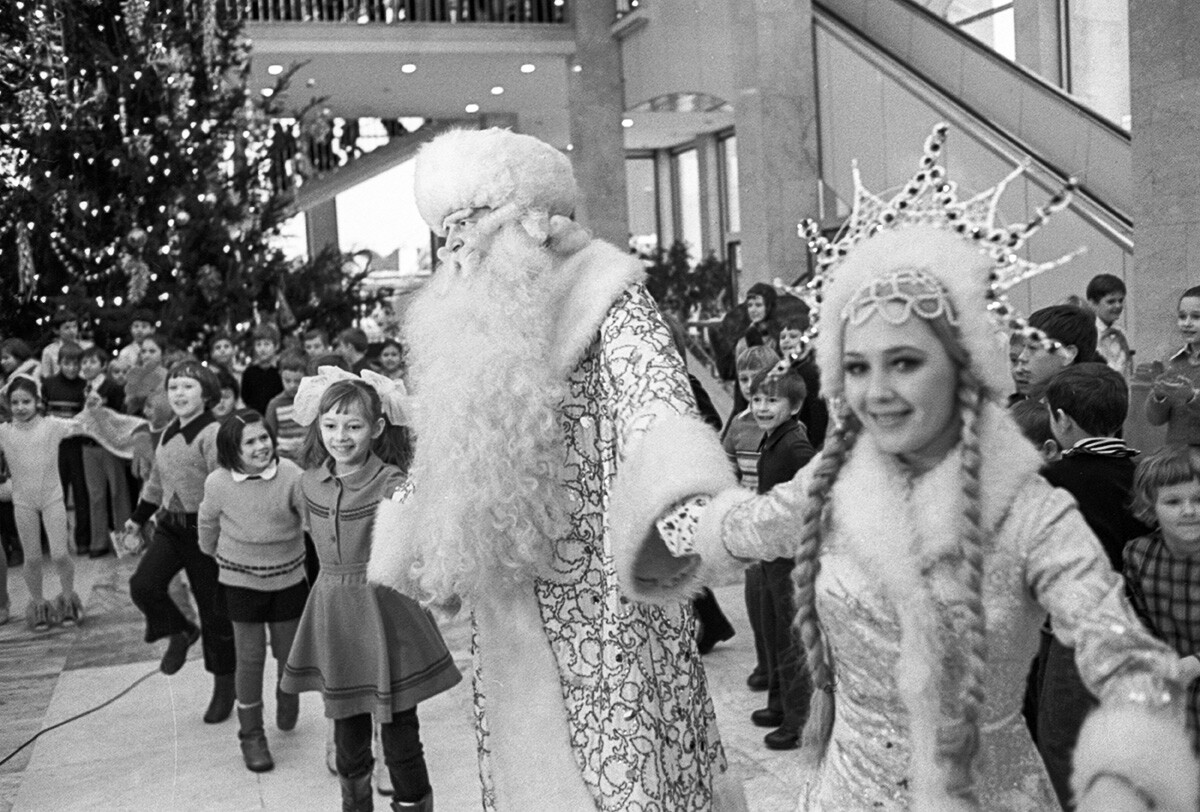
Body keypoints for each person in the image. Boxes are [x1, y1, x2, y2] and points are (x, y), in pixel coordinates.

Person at [613, 139, 1198, 808]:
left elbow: (1118, 652)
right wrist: (656, 474)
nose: (877, 392)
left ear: (961, 366)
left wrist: (1132, 754)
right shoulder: (831, 481)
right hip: (848, 791)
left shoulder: (1030, 511)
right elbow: (737, 527)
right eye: (858, 367)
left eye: (905, 363)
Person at [369, 127, 739, 810]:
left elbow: (655, 401)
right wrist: (413, 536)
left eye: (470, 229)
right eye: (448, 235)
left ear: (527, 220)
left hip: (608, 596)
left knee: (623, 762)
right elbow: (449, 441)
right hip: (510, 590)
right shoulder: (467, 322)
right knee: (527, 764)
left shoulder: (609, 295)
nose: (458, 252)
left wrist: (691, 505)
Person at [281, 372, 460, 812]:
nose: (341, 437)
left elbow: (421, 528)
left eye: (354, 426)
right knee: (348, 737)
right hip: (335, 614)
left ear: (377, 428)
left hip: (386, 614)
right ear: (317, 427)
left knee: (400, 736)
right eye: (331, 425)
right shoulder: (308, 483)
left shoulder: (394, 483)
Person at [1035, 363, 1153, 809]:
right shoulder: (1145, 472)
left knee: (1063, 738)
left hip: (1077, 632)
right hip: (1146, 625)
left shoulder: (1051, 480)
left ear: (1062, 421)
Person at [125, 360, 237, 723]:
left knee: (214, 611)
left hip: (203, 531)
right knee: (143, 585)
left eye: (187, 387)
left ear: (205, 394)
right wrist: (137, 518)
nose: (179, 394)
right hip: (170, 528)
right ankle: (180, 629)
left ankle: (224, 686)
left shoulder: (212, 433)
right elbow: (156, 483)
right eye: (173, 387)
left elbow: (223, 485)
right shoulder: (169, 431)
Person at [198, 409, 308, 773]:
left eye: (265, 438)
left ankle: (286, 693)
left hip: (288, 578)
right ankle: (251, 734)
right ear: (232, 450)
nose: (262, 446)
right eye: (251, 442)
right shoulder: (217, 483)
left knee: (288, 651)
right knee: (249, 658)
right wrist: (213, 551)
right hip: (240, 581)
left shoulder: (291, 474)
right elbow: (208, 521)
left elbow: (309, 518)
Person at [746, 366, 814, 752]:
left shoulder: (794, 445)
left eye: (772, 400)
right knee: (773, 633)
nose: (762, 407)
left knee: (791, 641)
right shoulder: (772, 439)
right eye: (757, 399)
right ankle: (778, 704)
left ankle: (798, 719)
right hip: (773, 553)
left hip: (790, 557)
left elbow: (816, 485)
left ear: (796, 405)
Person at [1125, 445, 1200, 749]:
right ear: (1149, 506)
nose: (1189, 510)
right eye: (1173, 501)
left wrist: (1194, 664)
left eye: (1198, 499)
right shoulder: (1139, 554)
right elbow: (1137, 619)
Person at [0, 376, 84, 628]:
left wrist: (93, 406)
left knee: (59, 554)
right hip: (23, 502)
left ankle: (68, 599)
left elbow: (83, 423)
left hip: (52, 499)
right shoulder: (4, 432)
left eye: (26, 401)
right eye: (15, 402)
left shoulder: (51, 426)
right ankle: (38, 605)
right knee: (32, 558)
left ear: (37, 401)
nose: (20, 407)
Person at [721, 343, 780, 692]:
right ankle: (763, 661)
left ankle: (778, 668)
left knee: (777, 601)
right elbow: (727, 466)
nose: (747, 385)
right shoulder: (740, 425)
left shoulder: (782, 423)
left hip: (774, 519)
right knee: (755, 599)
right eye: (742, 378)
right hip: (748, 516)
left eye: (755, 378)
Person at [79, 345, 130, 557]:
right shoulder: (82, 388)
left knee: (119, 493)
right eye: (84, 362)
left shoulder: (112, 388)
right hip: (88, 446)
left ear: (103, 366)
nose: (87, 366)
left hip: (110, 447)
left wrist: (102, 410)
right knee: (96, 495)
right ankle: (98, 543)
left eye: (92, 361)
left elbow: (120, 419)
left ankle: (126, 542)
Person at [42, 341, 92, 554]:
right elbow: (42, 415)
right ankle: (58, 541)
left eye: (76, 364)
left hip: (78, 447)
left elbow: (88, 417)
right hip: (55, 447)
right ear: (59, 362)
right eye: (67, 363)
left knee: (82, 493)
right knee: (56, 495)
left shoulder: (85, 386)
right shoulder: (48, 384)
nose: (71, 368)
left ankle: (83, 540)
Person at [1146, 285, 1200, 445]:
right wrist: (1158, 396)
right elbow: (1155, 420)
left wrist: (1192, 397)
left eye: (1196, 317)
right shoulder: (1171, 360)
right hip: (1176, 457)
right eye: (1182, 316)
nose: (1187, 323)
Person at [1011, 304, 1099, 401]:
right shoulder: (1011, 407)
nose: (1022, 357)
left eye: (1033, 348)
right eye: (1024, 348)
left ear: (1068, 354)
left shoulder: (1089, 409)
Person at [775, 314, 829, 449]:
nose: (786, 341)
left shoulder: (808, 372)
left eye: (793, 336)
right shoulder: (785, 369)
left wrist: (811, 446)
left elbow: (818, 416)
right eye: (783, 337)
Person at [264, 349, 308, 462]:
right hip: (284, 460)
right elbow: (270, 435)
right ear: (280, 376)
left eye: (298, 381)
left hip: (310, 457)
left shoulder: (311, 400)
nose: (292, 385)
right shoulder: (275, 404)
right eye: (287, 380)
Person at [1087, 274, 1132, 377]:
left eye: (1120, 300)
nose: (1118, 306)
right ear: (1093, 303)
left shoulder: (1121, 332)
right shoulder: (1088, 333)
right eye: (1111, 301)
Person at [241, 323, 284, 416]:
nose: (262, 349)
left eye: (267, 344)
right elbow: (246, 398)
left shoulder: (281, 371)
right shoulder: (249, 373)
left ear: (276, 346)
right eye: (258, 344)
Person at [39, 308, 83, 380]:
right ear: (56, 330)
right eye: (67, 328)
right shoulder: (49, 351)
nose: (72, 331)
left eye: (74, 326)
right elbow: (46, 377)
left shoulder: (86, 347)